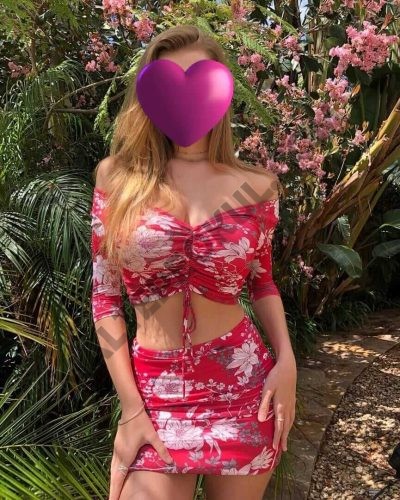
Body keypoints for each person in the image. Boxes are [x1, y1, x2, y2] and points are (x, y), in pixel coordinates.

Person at [91, 24, 297, 500]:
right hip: (153, 394)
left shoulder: (256, 186)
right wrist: (131, 408)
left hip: (244, 388)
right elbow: (105, 299)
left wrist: (286, 361)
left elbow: (263, 283)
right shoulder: (117, 179)